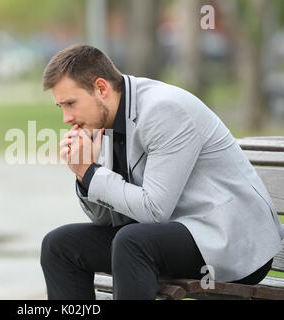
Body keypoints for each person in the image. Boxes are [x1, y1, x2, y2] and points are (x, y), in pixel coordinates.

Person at [39, 44, 284, 300]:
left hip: (231, 243)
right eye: (61, 107)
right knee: (59, 245)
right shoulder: (103, 122)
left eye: (71, 103)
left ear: (101, 88)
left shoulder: (164, 110)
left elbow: (154, 211)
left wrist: (90, 172)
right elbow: (108, 220)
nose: (67, 118)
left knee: (132, 242)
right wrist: (84, 177)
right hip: (172, 234)